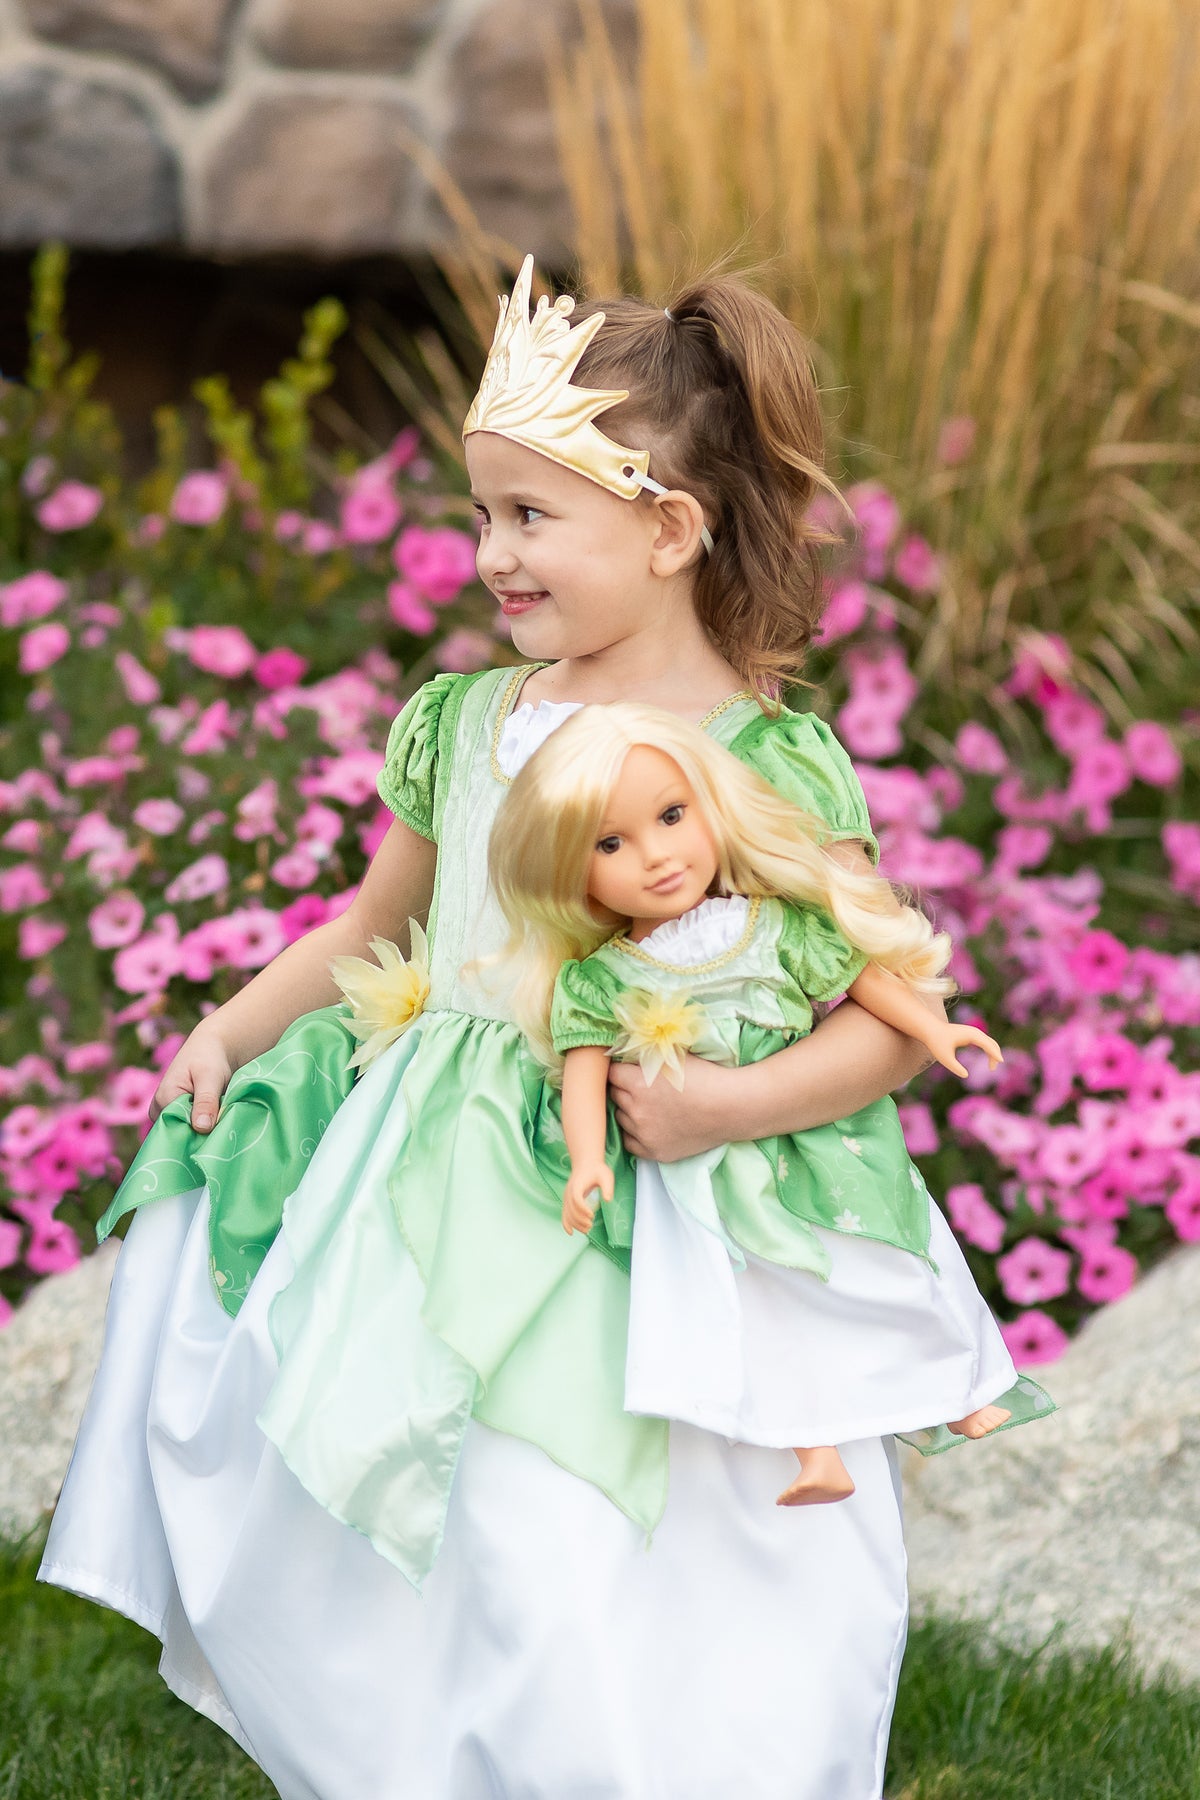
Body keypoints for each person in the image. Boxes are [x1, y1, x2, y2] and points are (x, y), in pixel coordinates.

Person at [40, 255, 1018, 1798]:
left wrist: (719, 1111)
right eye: (479, 514)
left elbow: (891, 1020)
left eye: (529, 516)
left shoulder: (760, 760)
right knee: (479, 1511)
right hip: (449, 1184)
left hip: (679, 1208)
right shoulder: (472, 724)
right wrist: (229, 1030)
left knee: (655, 1523)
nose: (490, 554)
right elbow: (377, 930)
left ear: (669, 529)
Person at [486, 701, 1052, 1509]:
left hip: (814, 1133)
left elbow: (864, 980)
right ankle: (813, 1449)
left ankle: (954, 1390)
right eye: (610, 844)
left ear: (709, 806)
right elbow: (583, 1075)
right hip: (708, 1172)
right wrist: (586, 1163)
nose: (657, 856)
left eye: (671, 816)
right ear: (567, 871)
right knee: (756, 1300)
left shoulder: (772, 926)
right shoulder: (601, 978)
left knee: (879, 1257)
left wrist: (934, 1028)